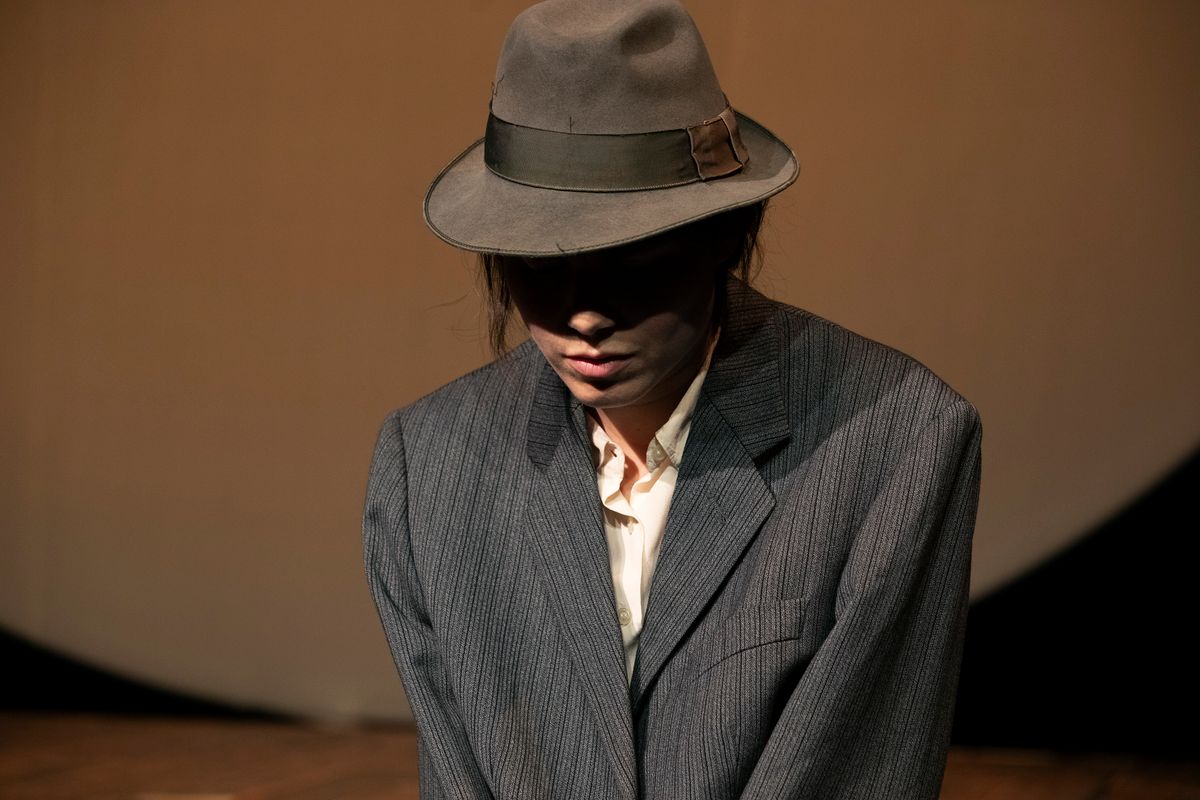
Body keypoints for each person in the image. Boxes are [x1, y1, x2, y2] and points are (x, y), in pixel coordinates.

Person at [362, 1, 984, 798]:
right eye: (540, 262)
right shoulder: (430, 466)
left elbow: (857, 769)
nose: (585, 313)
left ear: (724, 234)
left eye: (631, 257)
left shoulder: (893, 440)